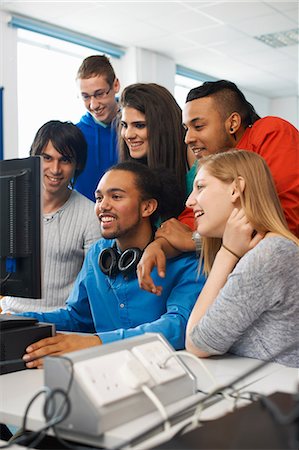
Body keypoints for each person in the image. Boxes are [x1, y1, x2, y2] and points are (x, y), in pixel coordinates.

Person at [19, 162, 205, 368]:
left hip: (165, 371)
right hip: (107, 371)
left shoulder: (186, 261)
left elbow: (178, 327)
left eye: (116, 197)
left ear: (147, 207)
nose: (103, 206)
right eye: (99, 198)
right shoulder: (98, 254)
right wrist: (16, 320)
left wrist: (97, 343)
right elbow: (77, 316)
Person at [137, 79, 299, 293]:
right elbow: (188, 221)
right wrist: (159, 246)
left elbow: (283, 221)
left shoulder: (269, 131)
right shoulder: (212, 166)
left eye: (198, 126)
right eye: (186, 129)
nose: (188, 138)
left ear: (232, 123)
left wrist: (195, 241)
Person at [185, 150, 299, 367]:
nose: (190, 201)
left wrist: (227, 253)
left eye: (200, 187)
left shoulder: (270, 254)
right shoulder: (264, 250)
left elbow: (197, 342)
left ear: (236, 189)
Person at [1, 121, 101, 314]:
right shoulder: (11, 203)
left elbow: (93, 287)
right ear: (35, 158)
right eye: (47, 158)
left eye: (65, 160)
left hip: (61, 323)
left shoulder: (91, 216)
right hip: (10, 315)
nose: (55, 169)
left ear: (77, 164)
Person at [119, 82, 196, 229]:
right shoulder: (134, 170)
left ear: (163, 127)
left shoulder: (192, 158)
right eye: (124, 125)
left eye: (139, 125)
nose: (128, 134)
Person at [75, 55, 120, 201]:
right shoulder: (75, 135)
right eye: (86, 97)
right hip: (84, 221)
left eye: (99, 94)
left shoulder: (135, 131)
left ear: (116, 85)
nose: (93, 105)